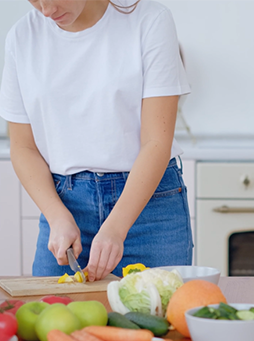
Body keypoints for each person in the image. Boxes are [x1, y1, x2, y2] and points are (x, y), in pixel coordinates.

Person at [0, 0, 193, 281]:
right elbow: (23, 147)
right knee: (52, 321)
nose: (46, 10)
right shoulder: (22, 36)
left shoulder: (150, 20)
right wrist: (56, 216)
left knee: (158, 321)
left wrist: (116, 227)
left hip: (149, 209)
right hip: (65, 206)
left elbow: (156, 142)